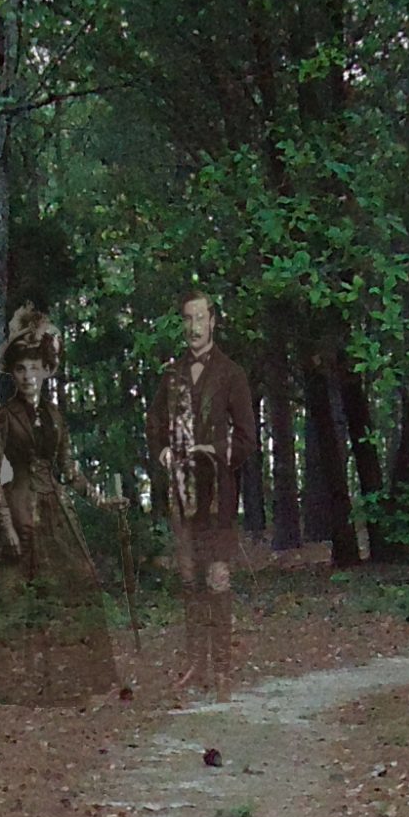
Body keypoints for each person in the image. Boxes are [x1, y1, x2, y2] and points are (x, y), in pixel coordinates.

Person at [0, 313, 116, 706]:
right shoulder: (3, 417)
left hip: (53, 508)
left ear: (46, 371)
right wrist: (6, 527)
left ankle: (63, 679)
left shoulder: (56, 417)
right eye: (21, 369)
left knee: (77, 580)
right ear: (13, 374)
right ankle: (11, 683)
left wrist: (99, 499)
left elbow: (70, 469)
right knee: (11, 596)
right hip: (17, 506)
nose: (28, 376)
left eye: (35, 369)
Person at [146, 289, 256, 691]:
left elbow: (247, 440)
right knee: (189, 578)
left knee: (217, 577)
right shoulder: (171, 374)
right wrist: (160, 450)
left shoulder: (232, 374)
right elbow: (154, 423)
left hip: (218, 494)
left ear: (213, 321)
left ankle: (223, 668)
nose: (194, 327)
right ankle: (196, 665)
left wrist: (216, 450)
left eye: (200, 318)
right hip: (181, 493)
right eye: (187, 320)